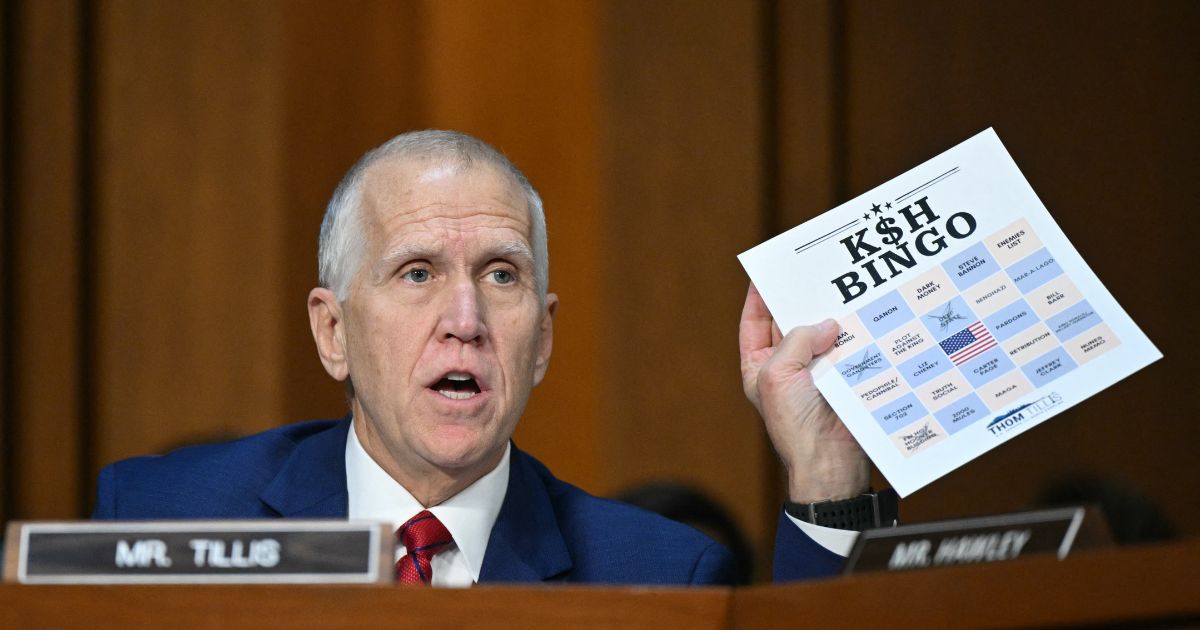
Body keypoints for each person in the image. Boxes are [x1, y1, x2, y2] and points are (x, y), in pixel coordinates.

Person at [94, 130, 884, 585]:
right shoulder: (161, 518)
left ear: (540, 339)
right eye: (417, 272)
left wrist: (827, 479)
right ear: (333, 333)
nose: (465, 320)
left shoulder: (657, 573)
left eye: (501, 275)